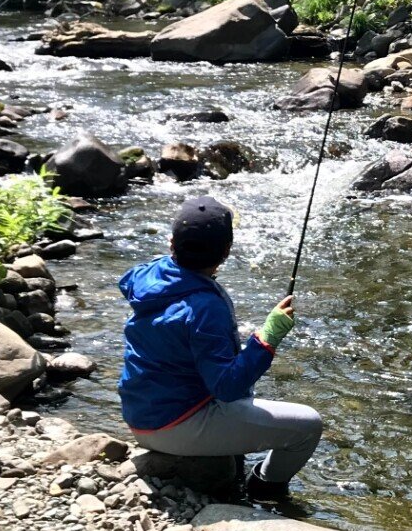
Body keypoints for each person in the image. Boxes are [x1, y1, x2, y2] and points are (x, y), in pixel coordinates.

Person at [118, 196, 320, 501]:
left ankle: (234, 468)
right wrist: (268, 336)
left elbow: (127, 282)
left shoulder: (146, 274)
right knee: (308, 427)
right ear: (226, 252)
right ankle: (264, 489)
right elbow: (227, 387)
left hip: (139, 414)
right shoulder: (205, 308)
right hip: (174, 425)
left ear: (171, 243)